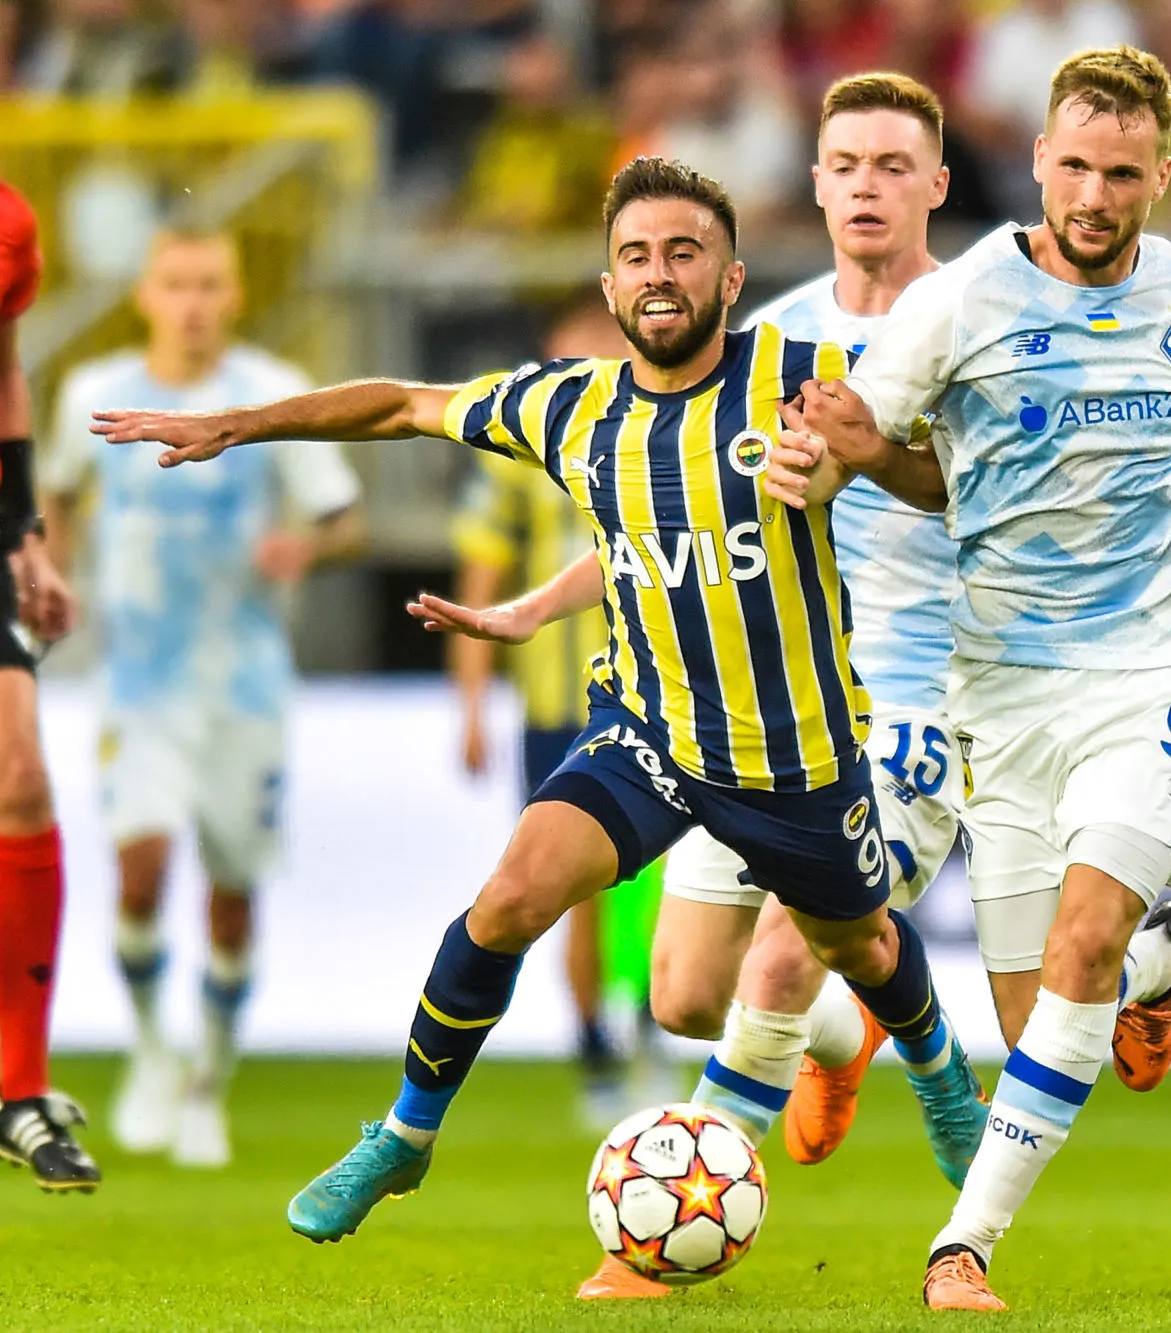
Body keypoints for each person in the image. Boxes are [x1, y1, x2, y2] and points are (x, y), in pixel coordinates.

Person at [91, 157, 988, 1249]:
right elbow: (402, 406)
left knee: (860, 950)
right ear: (610, 290)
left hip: (793, 754)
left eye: (683, 253)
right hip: (648, 737)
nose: (658, 275)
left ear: (731, 276)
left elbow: (946, 478)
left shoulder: (812, 376)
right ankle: (405, 1135)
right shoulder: (570, 405)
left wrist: (869, 455)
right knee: (512, 894)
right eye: (635, 257)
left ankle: (936, 1066)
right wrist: (242, 423)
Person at [412, 76, 1171, 1301]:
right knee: (685, 992)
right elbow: (661, 496)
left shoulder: (981, 321)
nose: (869, 186)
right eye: (846, 164)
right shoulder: (767, 337)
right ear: (819, 182)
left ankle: (649, 1255)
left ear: (936, 186)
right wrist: (532, 607)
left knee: (788, 960)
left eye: (897, 165)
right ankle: (875, 1027)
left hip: (930, 697)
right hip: (772, 707)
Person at [770, 46, 1171, 1311]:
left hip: (1159, 664)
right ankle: (1156, 965)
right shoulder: (955, 305)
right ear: (1038, 161)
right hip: (994, 679)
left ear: (1160, 175)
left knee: (1079, 935)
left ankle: (963, 1248)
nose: (1093, 195)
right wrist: (810, 467)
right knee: (1037, 1019)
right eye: (1071, 165)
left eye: (1121, 172)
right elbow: (868, 444)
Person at [42, 228, 366, 1169]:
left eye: (209, 285)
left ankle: (207, 1082)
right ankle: (151, 1045)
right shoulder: (91, 394)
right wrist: (54, 570)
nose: (192, 302)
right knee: (139, 877)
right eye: (176, 284)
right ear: (146, 293)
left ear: (232, 295)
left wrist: (305, 546)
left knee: (231, 900)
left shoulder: (268, 391)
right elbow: (57, 490)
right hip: (138, 686)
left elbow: (346, 518)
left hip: (245, 690)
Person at [445, 293, 673, 1129]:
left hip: (663, 694)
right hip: (553, 701)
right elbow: (479, 574)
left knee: (656, 884)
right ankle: (594, 1045)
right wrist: (469, 702)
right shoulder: (518, 453)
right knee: (567, 882)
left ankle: (646, 1020)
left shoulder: (664, 437)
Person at [0, 178, 96, 1193]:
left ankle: (17, 1088)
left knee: (21, 778)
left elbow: (3, 367)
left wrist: (26, 532)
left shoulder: (11, 220)